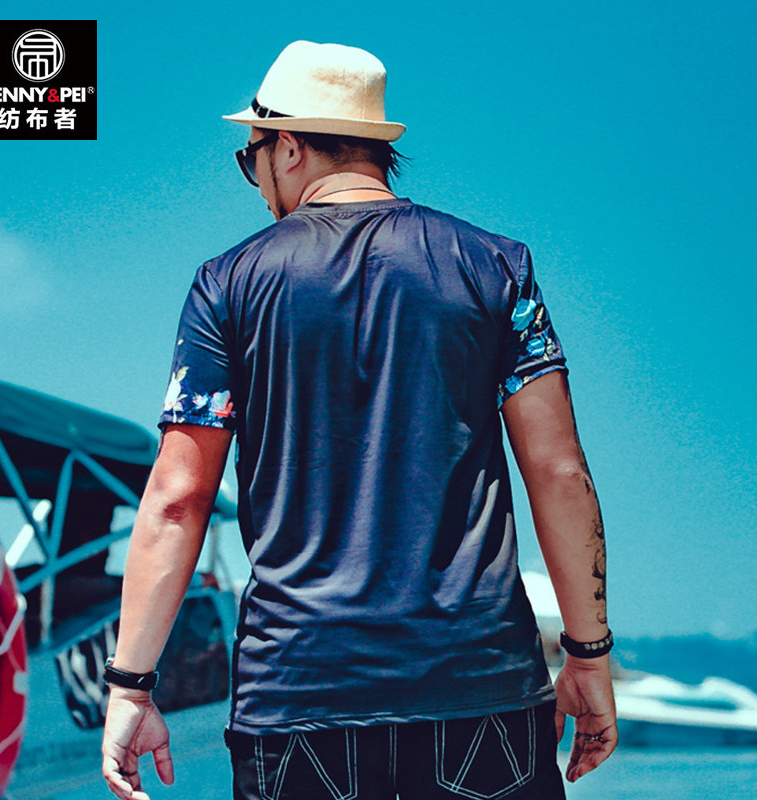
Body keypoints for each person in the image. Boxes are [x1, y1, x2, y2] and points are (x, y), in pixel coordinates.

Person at [102, 40, 617, 800]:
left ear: (287, 147)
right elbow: (559, 471)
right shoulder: (495, 266)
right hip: (478, 685)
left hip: (297, 692)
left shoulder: (226, 284)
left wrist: (130, 688)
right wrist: (588, 655)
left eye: (250, 160)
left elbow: (178, 500)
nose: (257, 184)